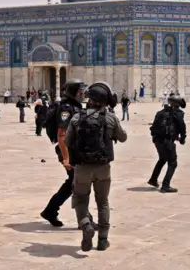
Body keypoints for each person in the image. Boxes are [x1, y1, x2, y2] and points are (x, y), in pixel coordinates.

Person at [66, 81, 127, 252]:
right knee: (103, 202)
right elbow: (123, 137)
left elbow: (67, 141)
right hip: (103, 167)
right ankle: (103, 240)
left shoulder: (77, 117)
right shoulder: (110, 118)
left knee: (80, 198)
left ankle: (86, 225)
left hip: (82, 167)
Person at [41, 79, 94, 228]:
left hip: (76, 151)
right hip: (69, 152)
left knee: (75, 183)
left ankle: (51, 211)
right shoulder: (66, 108)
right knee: (78, 183)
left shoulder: (76, 107)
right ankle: (84, 219)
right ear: (73, 92)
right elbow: (62, 134)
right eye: (80, 90)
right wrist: (66, 158)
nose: (83, 93)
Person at [148, 93, 187, 193]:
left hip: (157, 140)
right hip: (167, 142)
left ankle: (153, 179)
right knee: (173, 162)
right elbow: (182, 127)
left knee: (162, 159)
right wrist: (182, 139)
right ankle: (165, 185)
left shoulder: (161, 112)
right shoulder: (178, 114)